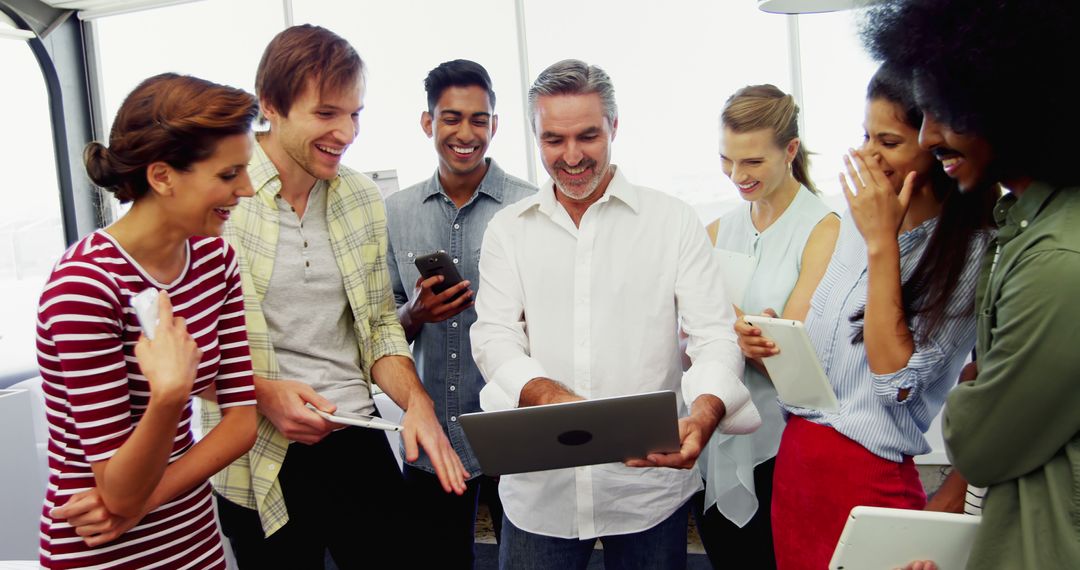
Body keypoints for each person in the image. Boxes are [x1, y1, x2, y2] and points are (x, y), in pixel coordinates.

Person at [471, 59, 761, 569]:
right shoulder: (508, 229)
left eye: (588, 135)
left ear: (614, 127)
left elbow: (714, 335)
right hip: (543, 495)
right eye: (553, 140)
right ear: (536, 137)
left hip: (647, 492)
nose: (572, 156)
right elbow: (494, 336)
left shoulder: (672, 221)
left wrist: (707, 411)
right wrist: (551, 396)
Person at [201, 25, 467, 568]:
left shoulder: (360, 197)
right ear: (271, 106)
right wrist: (264, 393)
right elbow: (186, 346)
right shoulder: (220, 197)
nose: (346, 132)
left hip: (354, 431)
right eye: (327, 114)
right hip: (256, 451)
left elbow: (376, 328)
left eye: (355, 114)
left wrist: (418, 404)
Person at [736, 64, 996, 570]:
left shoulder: (971, 253)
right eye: (865, 136)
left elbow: (895, 383)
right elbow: (825, 367)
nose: (868, 155)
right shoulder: (851, 223)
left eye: (890, 142)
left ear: (936, 143)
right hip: (798, 468)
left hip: (868, 479)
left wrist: (883, 245)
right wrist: (772, 344)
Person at [863, 1, 1080, 567]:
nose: (930, 135)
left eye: (944, 111)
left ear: (1012, 102)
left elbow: (979, 443)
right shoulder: (1026, 228)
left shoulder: (1058, 258)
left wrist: (969, 393)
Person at [37, 73, 259, 568]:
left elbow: (241, 420)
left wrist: (143, 501)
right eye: (229, 175)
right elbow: (114, 484)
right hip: (100, 547)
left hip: (192, 540)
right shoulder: (83, 286)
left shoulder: (214, 260)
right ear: (162, 177)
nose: (246, 189)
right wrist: (170, 396)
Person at [385, 58, 536, 566]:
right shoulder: (396, 212)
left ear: (495, 125)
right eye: (451, 118)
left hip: (515, 429)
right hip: (436, 432)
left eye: (479, 119)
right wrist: (416, 314)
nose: (466, 132)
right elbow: (381, 327)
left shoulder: (531, 206)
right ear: (428, 123)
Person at [694, 85, 839, 569]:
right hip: (717, 438)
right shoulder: (716, 230)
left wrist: (735, 331)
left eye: (752, 162)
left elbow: (797, 352)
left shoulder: (824, 228)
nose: (737, 175)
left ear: (790, 151)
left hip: (785, 444)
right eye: (727, 160)